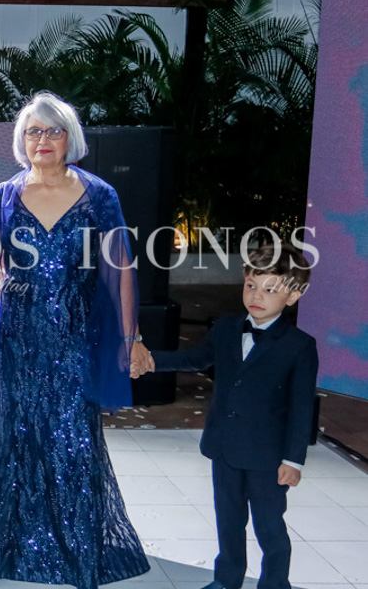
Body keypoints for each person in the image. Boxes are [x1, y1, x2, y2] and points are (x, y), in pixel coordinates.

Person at [0, 91, 152, 587]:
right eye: (33, 131)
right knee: (17, 433)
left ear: (70, 138)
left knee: (71, 436)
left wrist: (131, 337)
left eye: (53, 130)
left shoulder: (99, 194)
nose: (42, 139)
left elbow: (120, 270)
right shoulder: (3, 195)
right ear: (21, 140)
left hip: (75, 333)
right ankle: (13, 549)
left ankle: (74, 551)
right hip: (18, 334)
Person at [138, 243, 318, 589]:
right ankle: (226, 579)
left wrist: (293, 460)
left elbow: (301, 408)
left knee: (269, 526)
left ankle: (275, 583)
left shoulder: (299, 345)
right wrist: (149, 360)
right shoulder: (226, 327)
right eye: (251, 285)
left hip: (267, 456)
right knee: (229, 520)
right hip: (224, 448)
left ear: (293, 296)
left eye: (270, 289)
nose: (257, 296)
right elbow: (194, 359)